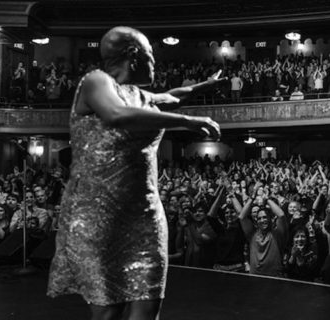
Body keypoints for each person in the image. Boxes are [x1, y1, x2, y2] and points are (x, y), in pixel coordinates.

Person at [47, 26, 222, 320]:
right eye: (152, 55)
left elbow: (174, 95)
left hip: (144, 215)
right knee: (108, 311)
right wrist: (188, 121)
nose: (155, 62)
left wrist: (206, 85)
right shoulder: (95, 82)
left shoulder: (139, 95)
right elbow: (117, 115)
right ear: (134, 55)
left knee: (147, 304)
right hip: (98, 216)